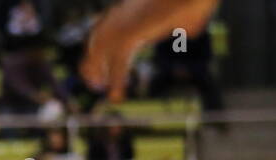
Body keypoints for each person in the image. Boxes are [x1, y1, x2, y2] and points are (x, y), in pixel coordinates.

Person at [81, 0, 221, 101]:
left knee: (209, 85)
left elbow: (205, 57)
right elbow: (160, 56)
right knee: (155, 85)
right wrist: (173, 68)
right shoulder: (164, 29)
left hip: (194, 70)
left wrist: (189, 68)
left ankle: (216, 125)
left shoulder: (200, 33)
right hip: (169, 70)